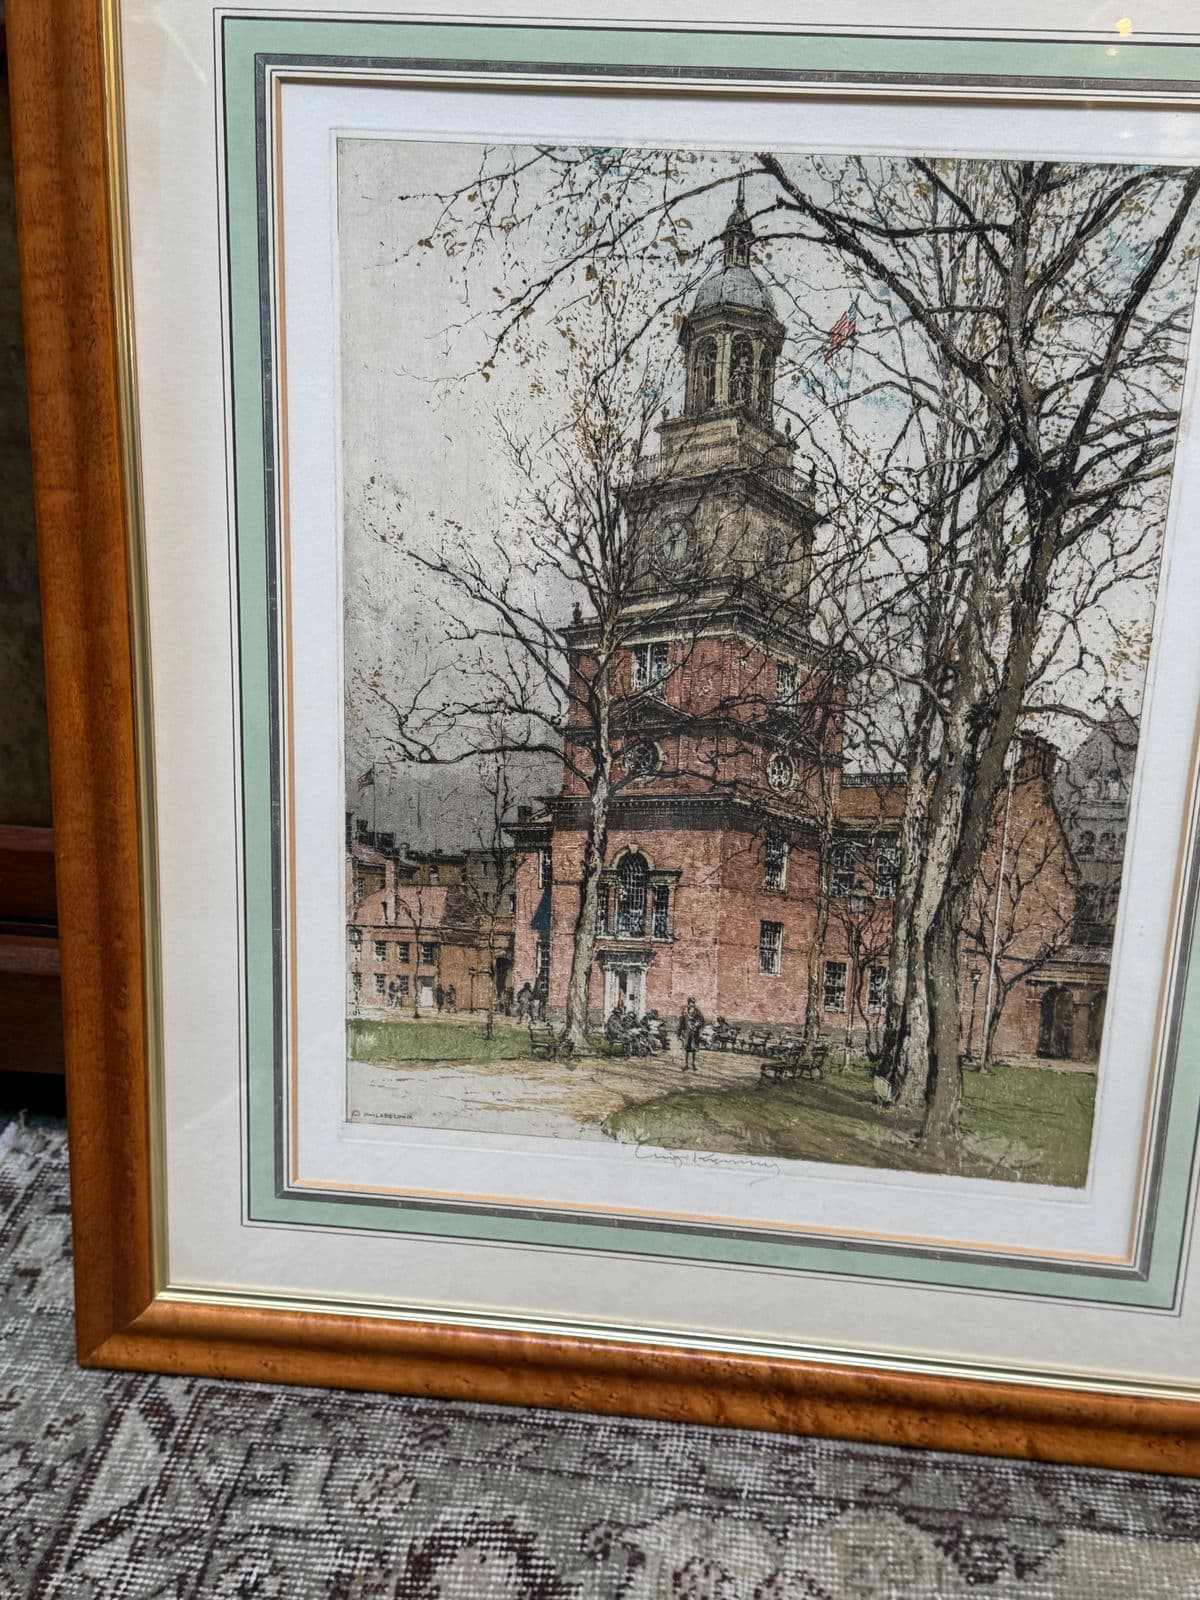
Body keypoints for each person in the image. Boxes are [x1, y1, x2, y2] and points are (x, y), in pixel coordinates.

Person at [677, 997, 706, 1073]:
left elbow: (702, 1020)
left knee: (693, 1049)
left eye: (693, 1003)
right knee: (686, 1048)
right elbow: (681, 1022)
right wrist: (679, 1033)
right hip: (687, 1033)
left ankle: (693, 1063)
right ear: (688, 1003)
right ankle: (686, 1064)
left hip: (694, 1033)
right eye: (691, 1003)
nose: (692, 1004)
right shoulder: (685, 1011)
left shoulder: (697, 1011)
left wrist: (697, 1025)